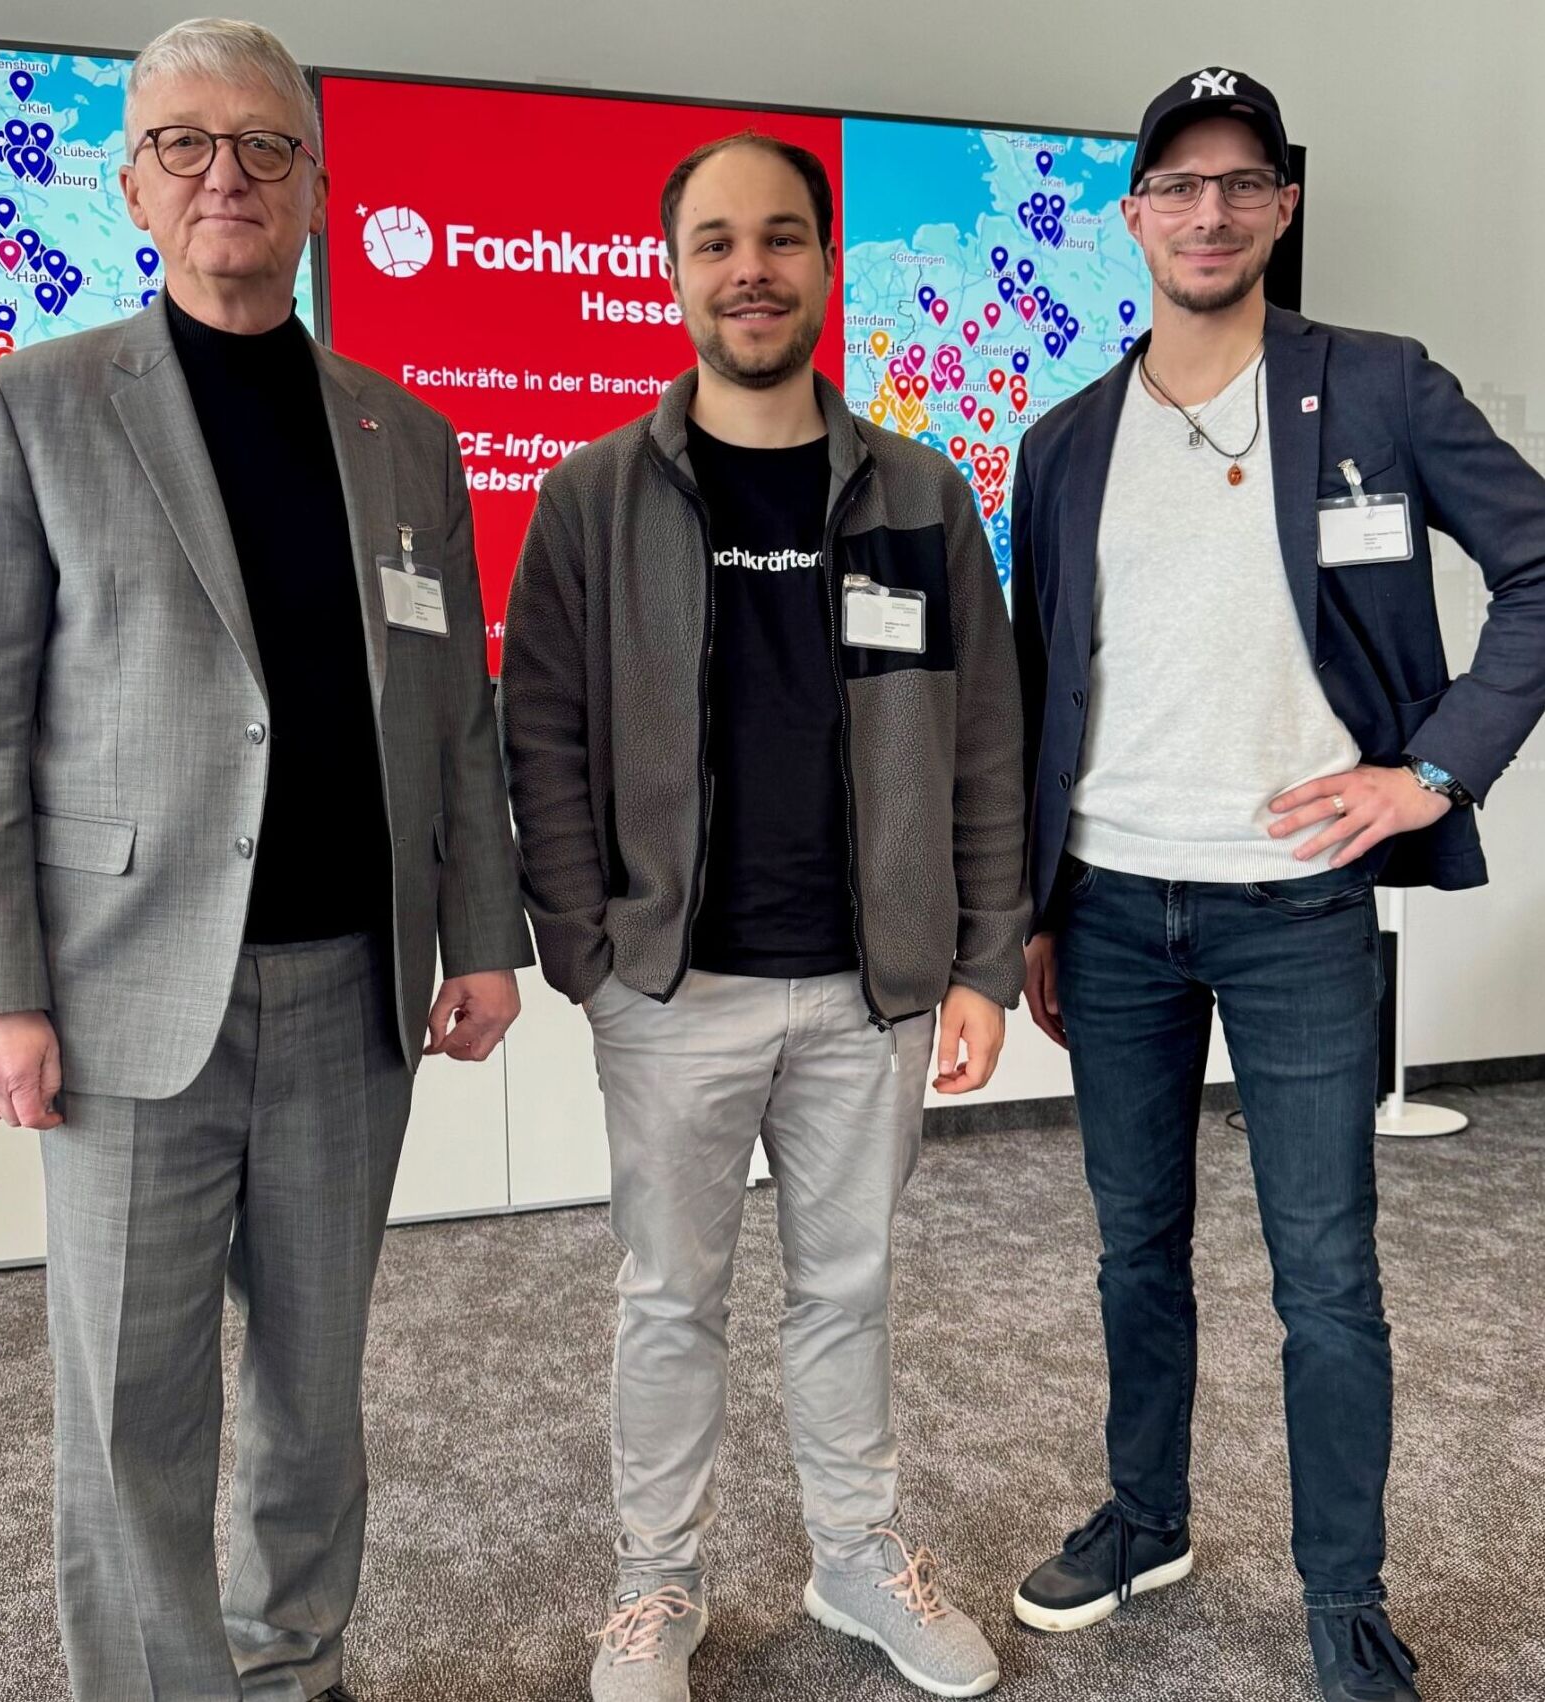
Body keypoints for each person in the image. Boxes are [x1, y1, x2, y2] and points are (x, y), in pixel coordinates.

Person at [0, 19, 532, 1700]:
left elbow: (454, 713)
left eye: (265, 144)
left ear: (318, 188)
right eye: (184, 144)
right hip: (126, 997)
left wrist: (483, 933)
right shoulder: (37, 405)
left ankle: (293, 1662)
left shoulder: (408, 435)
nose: (226, 174)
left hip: (353, 993)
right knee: (133, 1400)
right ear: (132, 185)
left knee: (314, 1388)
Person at [1009, 66, 1545, 1702]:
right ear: (1134, 215)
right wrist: (1031, 909)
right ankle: (1146, 1515)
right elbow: (1039, 689)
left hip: (1299, 908)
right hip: (1111, 907)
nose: (1211, 211)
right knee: (1134, 1244)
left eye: (1243, 182)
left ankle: (1344, 1595)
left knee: (1326, 1273)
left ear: (1283, 207)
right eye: (1179, 185)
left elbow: (1537, 565)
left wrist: (1429, 770)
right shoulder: (1063, 441)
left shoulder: (1377, 387)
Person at [500, 131, 1029, 1700]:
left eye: (783, 237)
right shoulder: (594, 496)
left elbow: (984, 736)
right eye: (717, 241)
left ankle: (856, 1556)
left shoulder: (922, 492)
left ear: (825, 264)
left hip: (872, 989)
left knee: (846, 1292)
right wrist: (585, 946)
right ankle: (655, 1588)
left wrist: (982, 959)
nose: (751, 269)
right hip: (673, 986)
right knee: (670, 1299)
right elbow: (542, 731)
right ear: (673, 273)